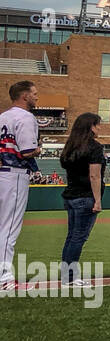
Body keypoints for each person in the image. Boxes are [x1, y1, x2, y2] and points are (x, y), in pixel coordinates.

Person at [0, 81, 41, 290]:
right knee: (8, 229)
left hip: (2, 172)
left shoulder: (3, 117)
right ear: (24, 96)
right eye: (34, 94)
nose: (36, 97)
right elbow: (27, 151)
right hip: (14, 175)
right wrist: (38, 150)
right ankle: (4, 278)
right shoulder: (25, 117)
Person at [57, 111, 104, 286]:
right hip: (85, 197)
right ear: (90, 126)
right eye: (97, 124)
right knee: (78, 238)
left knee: (71, 237)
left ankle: (67, 276)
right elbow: (95, 176)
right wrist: (97, 200)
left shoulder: (71, 146)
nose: (99, 128)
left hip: (70, 195)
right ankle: (69, 278)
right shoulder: (94, 147)